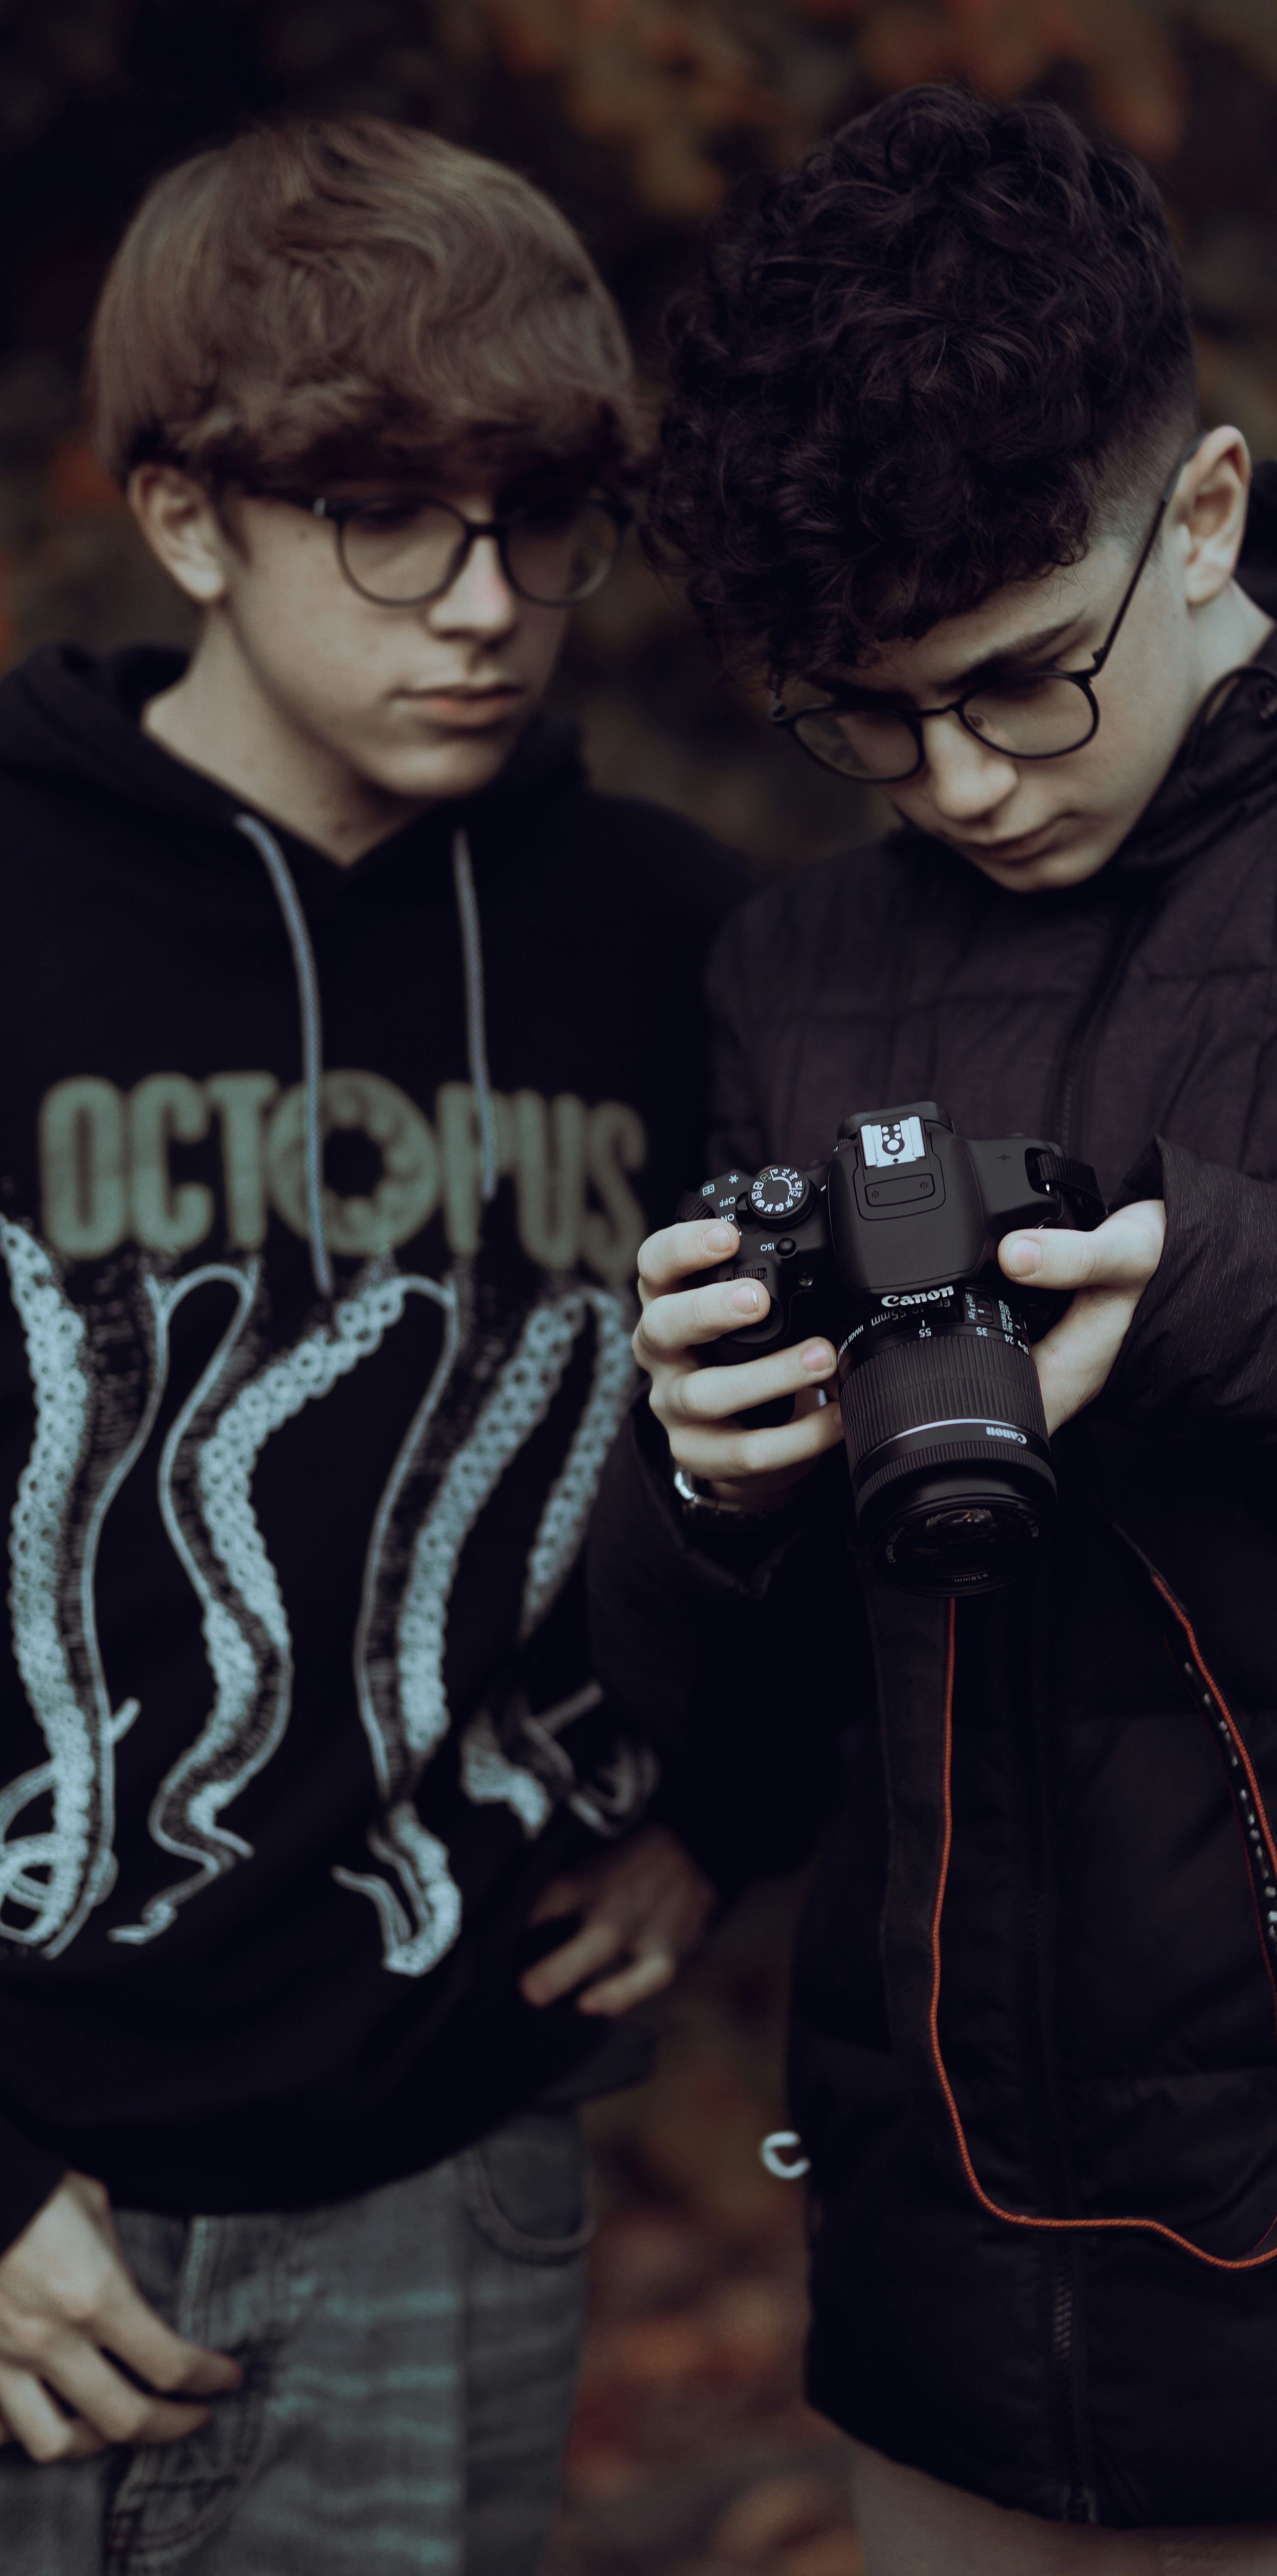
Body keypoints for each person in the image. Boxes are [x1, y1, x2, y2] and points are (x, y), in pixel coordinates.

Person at [591, 82, 1277, 2576]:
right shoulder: (802, 969)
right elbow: (741, 1750)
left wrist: (1230, 1301)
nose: (960, 784)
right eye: (866, 719)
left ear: (1201, 515)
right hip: (961, 2376)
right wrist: (704, 1483)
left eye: (1021, 686)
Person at [0, 116, 732, 2574]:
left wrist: (737, 1801)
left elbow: (822, 1445)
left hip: (437, 2177)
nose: (488, 605)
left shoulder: (668, 944)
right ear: (186, 518)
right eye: (388, 520)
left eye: (542, 520)